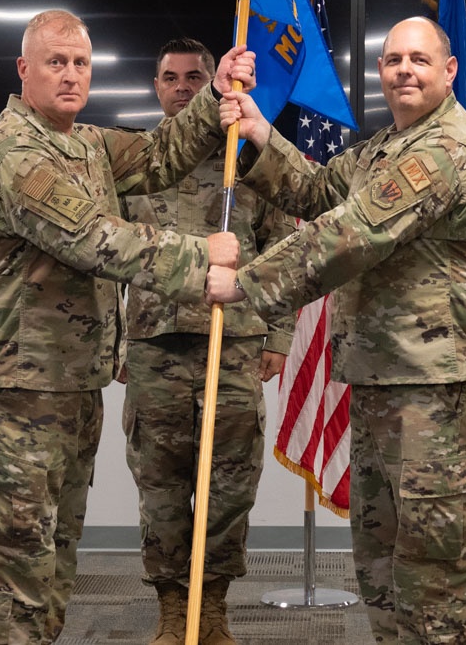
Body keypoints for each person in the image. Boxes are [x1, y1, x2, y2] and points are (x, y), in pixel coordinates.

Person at [207, 16, 466, 644]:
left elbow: (352, 234)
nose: (404, 70)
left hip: (440, 394)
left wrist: (244, 283)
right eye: (393, 59)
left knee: (432, 579)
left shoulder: (446, 149)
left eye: (420, 60)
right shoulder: (385, 149)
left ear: (449, 71)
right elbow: (320, 191)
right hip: (381, 381)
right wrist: (261, 131)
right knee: (381, 570)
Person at [0, 9, 256, 644]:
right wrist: (203, 257)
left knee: (51, 568)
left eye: (81, 63)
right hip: (17, 399)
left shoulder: (84, 145)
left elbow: (159, 154)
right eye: (55, 62)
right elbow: (95, 240)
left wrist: (220, 90)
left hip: (70, 390)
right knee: (11, 586)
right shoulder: (15, 156)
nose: (70, 75)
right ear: (23, 70)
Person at [120, 38, 297, 645]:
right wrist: (116, 340)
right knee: (161, 485)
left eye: (195, 76)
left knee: (228, 486)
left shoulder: (242, 157)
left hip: (237, 343)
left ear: (213, 83)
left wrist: (279, 332)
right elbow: (97, 252)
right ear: (156, 86)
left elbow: (284, 249)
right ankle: (173, 609)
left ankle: (213, 605)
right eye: (170, 77)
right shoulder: (134, 161)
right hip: (156, 346)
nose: (182, 86)